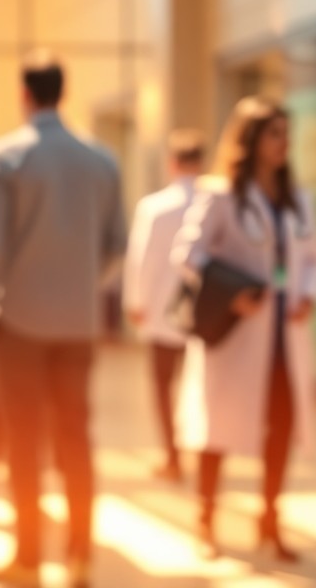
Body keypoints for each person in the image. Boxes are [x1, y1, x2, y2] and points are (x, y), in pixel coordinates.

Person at [0, 54, 126, 588]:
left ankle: (30, 558)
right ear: (63, 92)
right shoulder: (102, 160)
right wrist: (81, 283)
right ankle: (80, 555)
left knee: (24, 443)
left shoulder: (5, 158)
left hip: (19, 320)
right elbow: (117, 245)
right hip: (79, 322)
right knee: (76, 438)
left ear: (24, 93)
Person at [171, 97, 316, 563]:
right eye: (274, 133)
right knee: (217, 427)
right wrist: (232, 292)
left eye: (286, 134)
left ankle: (270, 519)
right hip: (237, 331)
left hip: (283, 334)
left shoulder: (297, 199)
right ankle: (206, 520)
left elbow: (312, 257)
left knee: (281, 425)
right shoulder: (220, 194)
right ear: (251, 139)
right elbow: (188, 254)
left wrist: (308, 293)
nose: (283, 143)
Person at [122, 129, 206, 482]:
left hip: (161, 311)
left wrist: (136, 301)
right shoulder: (211, 201)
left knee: (163, 387)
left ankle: (173, 456)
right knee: (201, 385)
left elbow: (140, 259)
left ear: (172, 163)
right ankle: (201, 454)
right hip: (205, 313)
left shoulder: (155, 207)